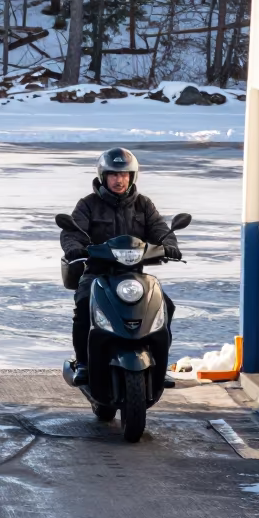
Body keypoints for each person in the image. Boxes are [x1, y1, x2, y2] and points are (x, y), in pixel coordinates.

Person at [60, 147, 182, 387]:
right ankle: (84, 362)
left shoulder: (144, 205)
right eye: (114, 175)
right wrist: (74, 247)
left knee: (165, 306)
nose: (119, 179)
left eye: (124, 174)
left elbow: (159, 228)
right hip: (98, 273)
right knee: (84, 303)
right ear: (104, 176)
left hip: (135, 275)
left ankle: (160, 363)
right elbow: (72, 231)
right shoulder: (88, 204)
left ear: (132, 176)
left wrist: (169, 244)